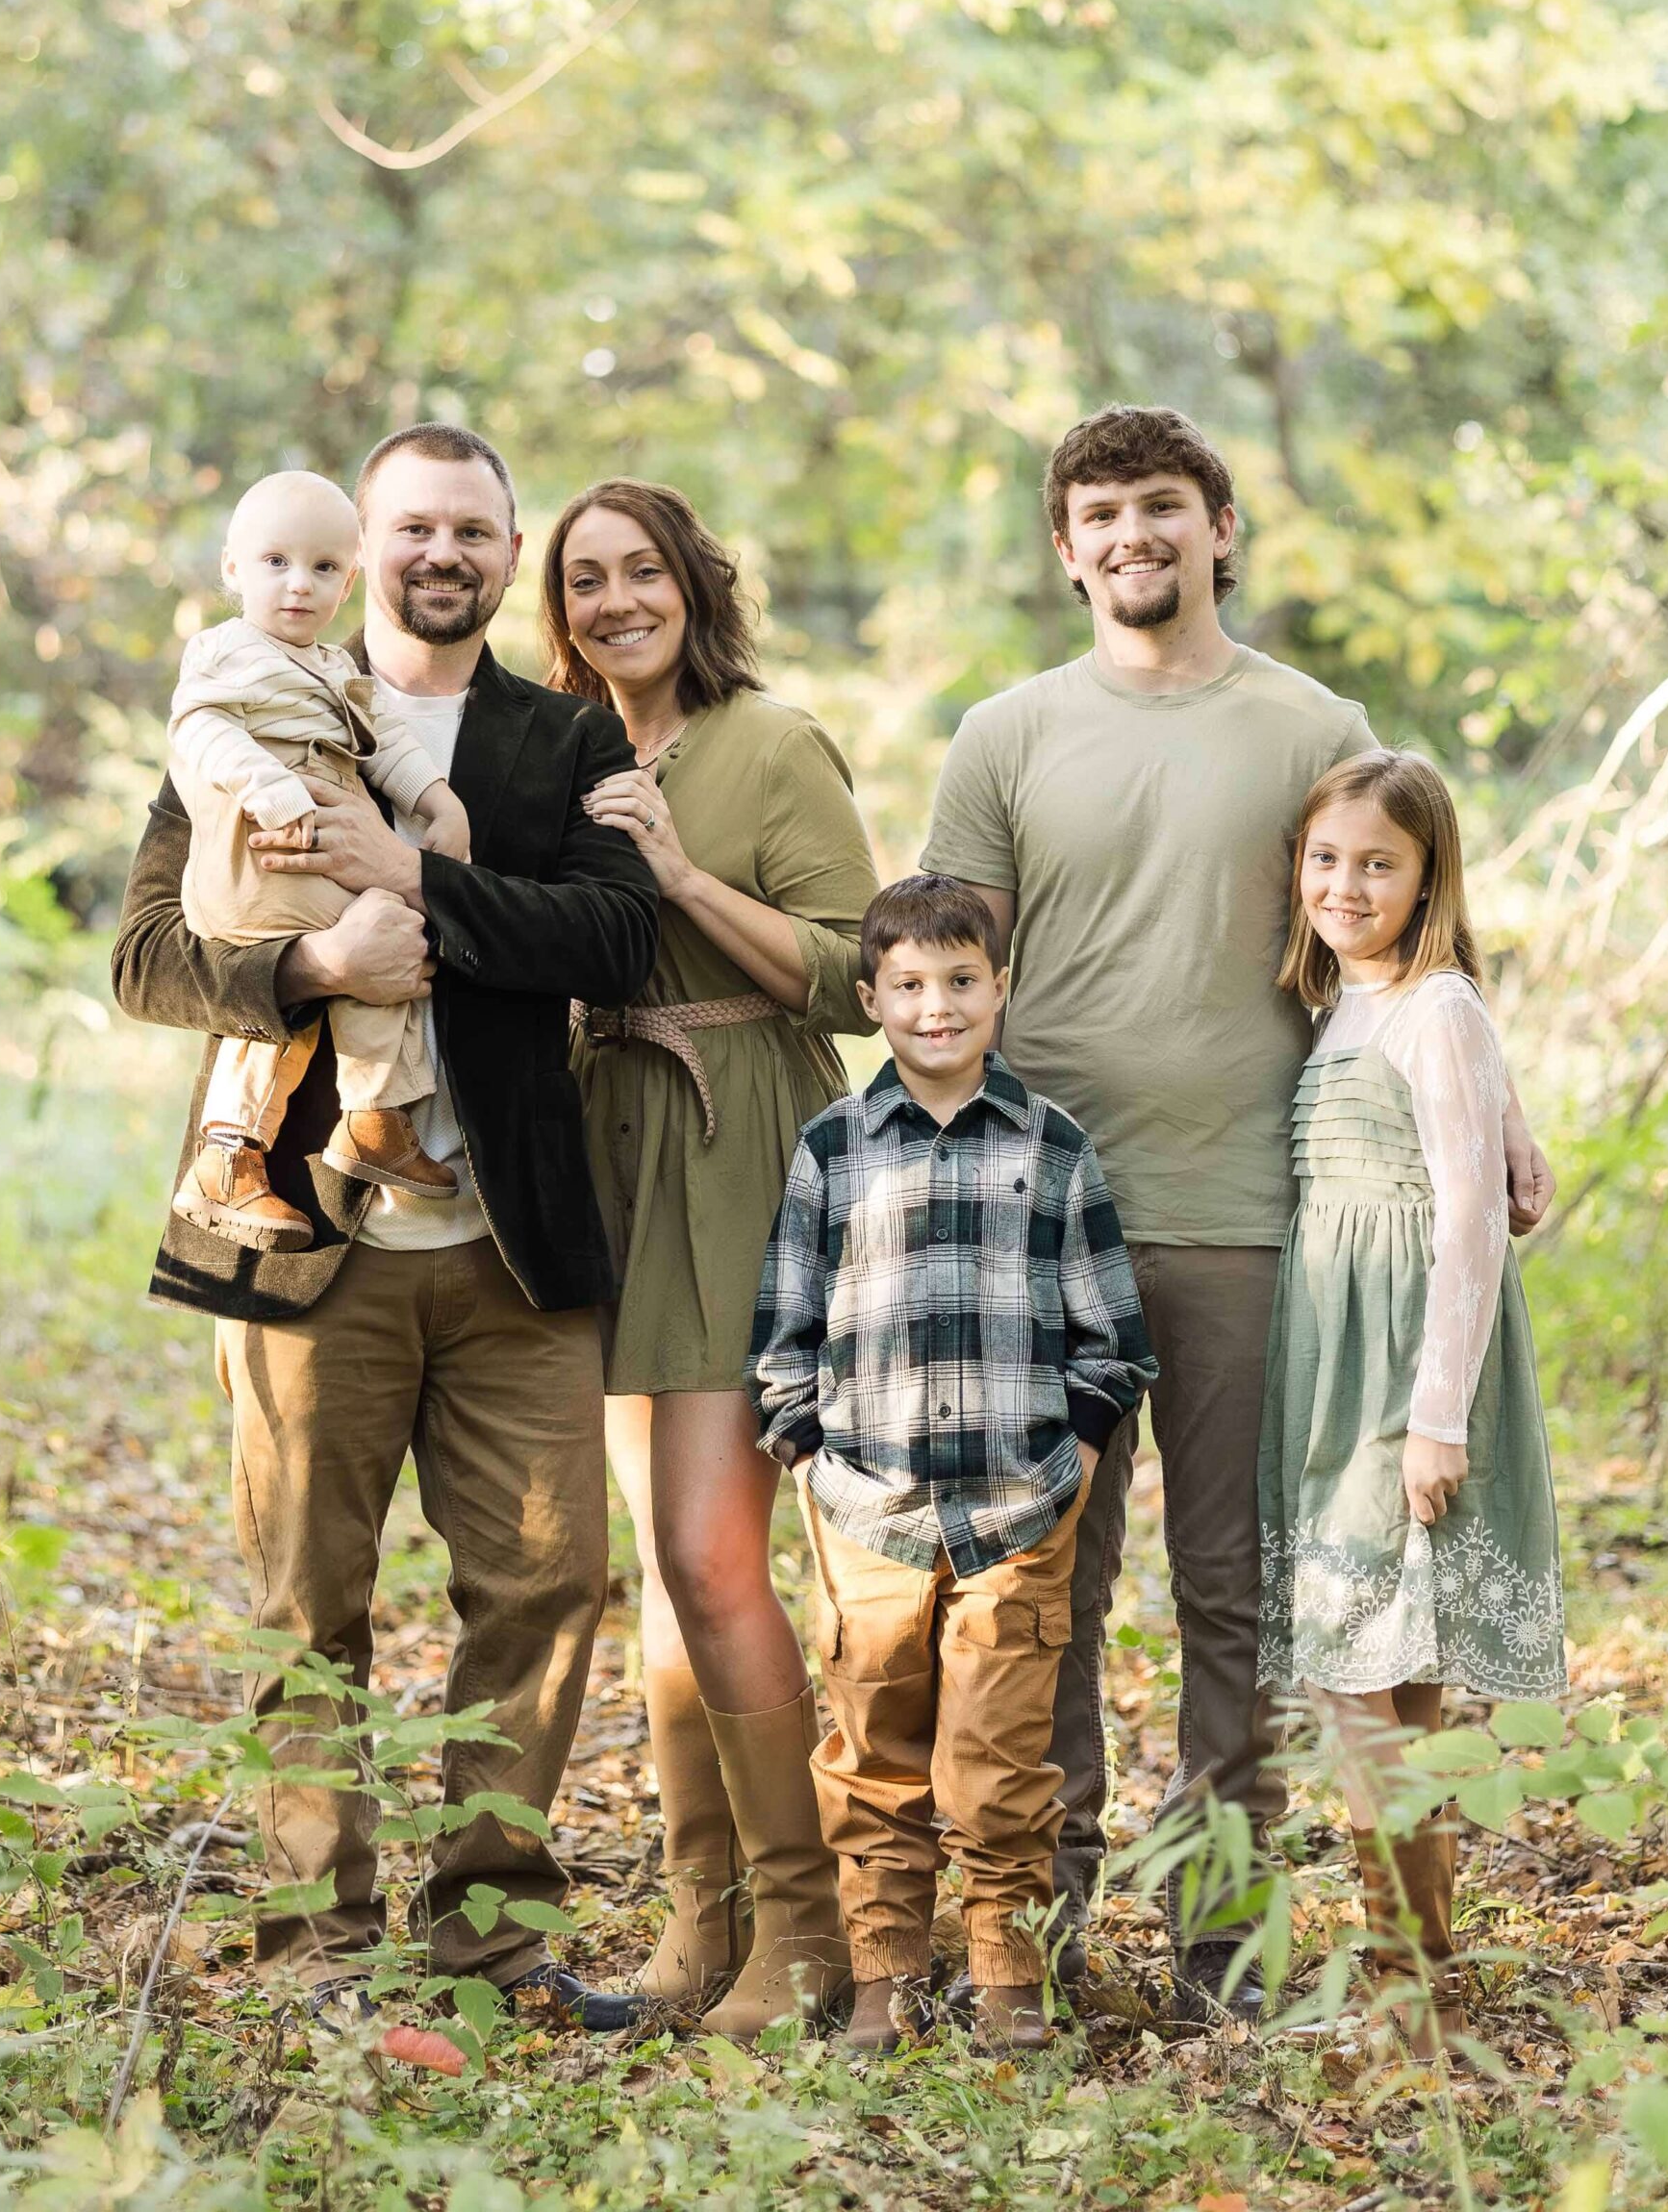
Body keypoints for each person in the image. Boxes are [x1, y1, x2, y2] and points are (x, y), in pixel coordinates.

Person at [921, 404, 1554, 2016]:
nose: (1129, 538)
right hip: (1040, 1221)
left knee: (1228, 1596)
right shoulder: (1003, 735)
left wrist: (1500, 1118)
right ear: (1064, 554)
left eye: (1158, 508)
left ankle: (1215, 1952)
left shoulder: (1304, 720)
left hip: (1245, 1219)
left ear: (1217, 528)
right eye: (1097, 517)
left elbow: (1401, 917)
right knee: (1036, 1594)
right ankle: (1037, 1939)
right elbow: (937, 982)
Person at [113, 422, 660, 2033]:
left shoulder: (559, 741)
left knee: (546, 1586)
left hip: (512, 1253)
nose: (445, 553)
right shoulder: (251, 695)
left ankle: (486, 1939)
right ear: (360, 543)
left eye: (476, 531)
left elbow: (616, 937)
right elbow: (146, 957)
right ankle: (315, 1951)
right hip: (291, 1229)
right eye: (414, 525)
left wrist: (410, 896)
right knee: (307, 1599)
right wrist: (310, 969)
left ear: (505, 553)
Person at [539, 478, 879, 2038]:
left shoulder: (772, 744)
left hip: (741, 1145)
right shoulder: (557, 752)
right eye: (585, 580)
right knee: (671, 1581)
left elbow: (853, 979)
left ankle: (806, 1940)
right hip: (612, 1155)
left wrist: (677, 874)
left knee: (713, 1553)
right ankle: (702, 1931)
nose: (615, 600)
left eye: (640, 571)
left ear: (692, 583)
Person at [748, 874, 1152, 2055]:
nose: (937, 1006)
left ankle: (1004, 1975)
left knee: (1000, 1755)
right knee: (871, 1746)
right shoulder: (832, 1146)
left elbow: (1111, 1332)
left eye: (961, 981)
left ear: (1000, 990)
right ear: (868, 997)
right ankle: (883, 1975)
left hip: (1017, 1505)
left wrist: (1071, 1454)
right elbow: (786, 1320)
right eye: (911, 986)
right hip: (864, 1502)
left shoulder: (1054, 1148)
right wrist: (806, 1450)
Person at [1257, 749, 1564, 2054]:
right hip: (1332, 1356)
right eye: (1325, 859)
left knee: (1355, 1673)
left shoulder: (1440, 1008)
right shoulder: (1342, 1001)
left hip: (1407, 1370)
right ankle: (1421, 1969)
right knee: (1400, 1675)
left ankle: (1395, 1967)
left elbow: (1467, 1224)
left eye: (1378, 863)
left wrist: (1437, 1413)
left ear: (1430, 875)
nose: (1345, 884)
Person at [164, 469, 471, 1251]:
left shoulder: (335, 667)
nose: (299, 585)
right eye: (275, 563)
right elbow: (197, 729)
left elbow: (384, 745)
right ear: (233, 568)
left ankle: (374, 1116)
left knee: (386, 940)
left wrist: (440, 802)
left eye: (324, 568)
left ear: (351, 578)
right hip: (258, 851)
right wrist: (264, 784)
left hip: (310, 861)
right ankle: (228, 1156)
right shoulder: (225, 651)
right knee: (303, 981)